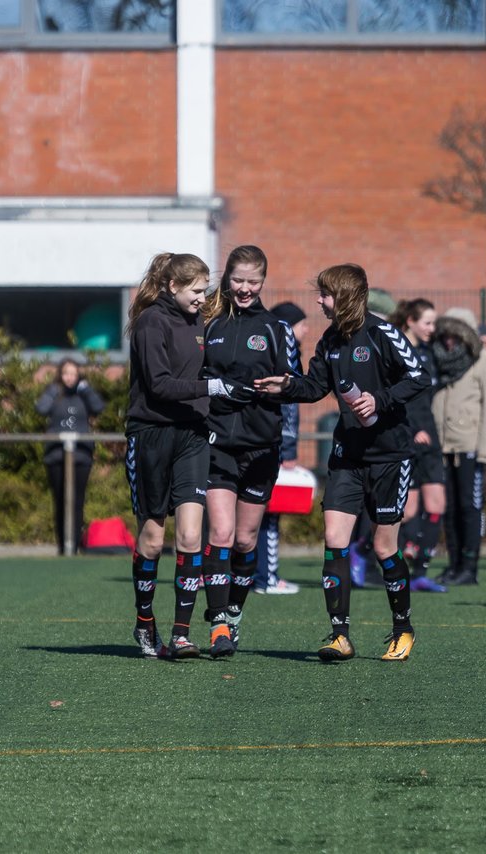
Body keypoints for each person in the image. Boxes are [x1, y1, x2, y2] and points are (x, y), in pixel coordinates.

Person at [256, 263, 431, 662]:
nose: (319, 300)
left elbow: (419, 376)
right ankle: (339, 636)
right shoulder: (330, 339)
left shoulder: (383, 333)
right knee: (334, 542)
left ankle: (402, 629)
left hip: (389, 456)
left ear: (347, 296)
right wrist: (285, 385)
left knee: (386, 549)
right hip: (346, 457)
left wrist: (380, 399)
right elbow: (315, 386)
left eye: (325, 294)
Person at [126, 251, 246, 659]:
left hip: (193, 436)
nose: (202, 298)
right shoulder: (150, 323)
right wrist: (210, 387)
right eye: (195, 290)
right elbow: (159, 385)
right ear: (173, 287)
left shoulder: (197, 320)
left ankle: (181, 635)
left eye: (205, 290)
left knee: (192, 535)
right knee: (154, 538)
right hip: (152, 435)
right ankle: (145, 623)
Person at [202, 245, 300, 649]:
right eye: (237, 280)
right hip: (217, 442)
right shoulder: (208, 322)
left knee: (246, 540)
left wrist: (280, 388)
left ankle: (236, 612)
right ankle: (218, 623)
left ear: (263, 282)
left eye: (252, 281)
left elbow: (294, 384)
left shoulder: (277, 329)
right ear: (226, 278)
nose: (244, 288)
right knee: (221, 533)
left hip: (261, 447)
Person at [430, 308, 486, 586]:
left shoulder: (484, 361)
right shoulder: (436, 359)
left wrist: (484, 451)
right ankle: (453, 564)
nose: (449, 342)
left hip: (469, 447)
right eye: (445, 336)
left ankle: (469, 567)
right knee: (448, 509)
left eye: (455, 336)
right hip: (443, 446)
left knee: (469, 508)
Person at [387, 298, 447, 592]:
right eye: (427, 322)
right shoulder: (397, 353)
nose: (432, 328)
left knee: (437, 504)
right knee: (407, 511)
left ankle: (421, 571)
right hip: (407, 437)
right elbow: (394, 398)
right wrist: (411, 430)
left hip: (430, 438)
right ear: (410, 320)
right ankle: (389, 564)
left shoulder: (429, 353)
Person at [254, 300, 308, 596]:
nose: (307, 329)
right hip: (272, 446)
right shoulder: (285, 358)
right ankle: (267, 577)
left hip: (265, 442)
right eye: (302, 324)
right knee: (269, 513)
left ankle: (258, 576)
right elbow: (287, 409)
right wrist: (288, 452)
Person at [36, 357, 106, 555]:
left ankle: (74, 545)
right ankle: (62, 546)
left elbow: (99, 407)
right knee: (60, 501)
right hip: (56, 456)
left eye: (73, 374)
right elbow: (41, 409)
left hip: (81, 457)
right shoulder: (55, 395)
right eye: (66, 373)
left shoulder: (83, 396)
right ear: (60, 375)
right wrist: (51, 391)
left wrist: (85, 389)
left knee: (77, 501)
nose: (69, 378)